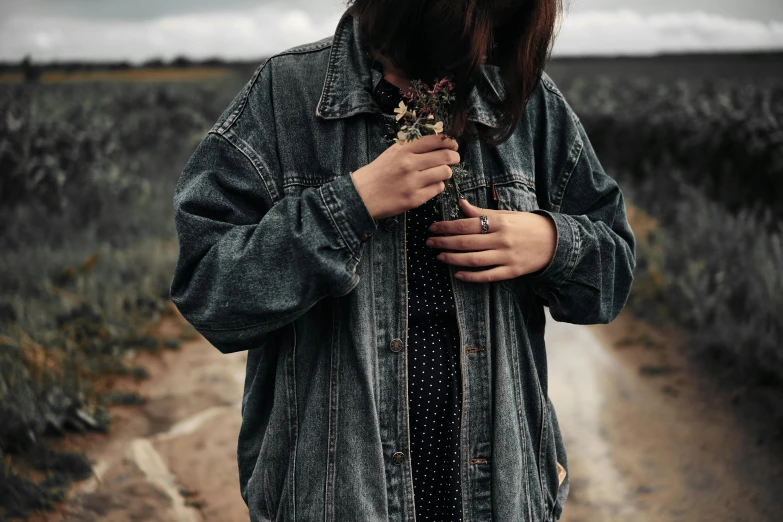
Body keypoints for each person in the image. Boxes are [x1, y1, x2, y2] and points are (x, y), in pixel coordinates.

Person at [169, 1, 636, 521]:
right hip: (334, 501)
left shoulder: (524, 104)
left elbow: (612, 273)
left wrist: (551, 242)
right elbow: (207, 290)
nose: (481, 55)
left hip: (499, 498)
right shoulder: (285, 95)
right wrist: (349, 206)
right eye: (474, 32)